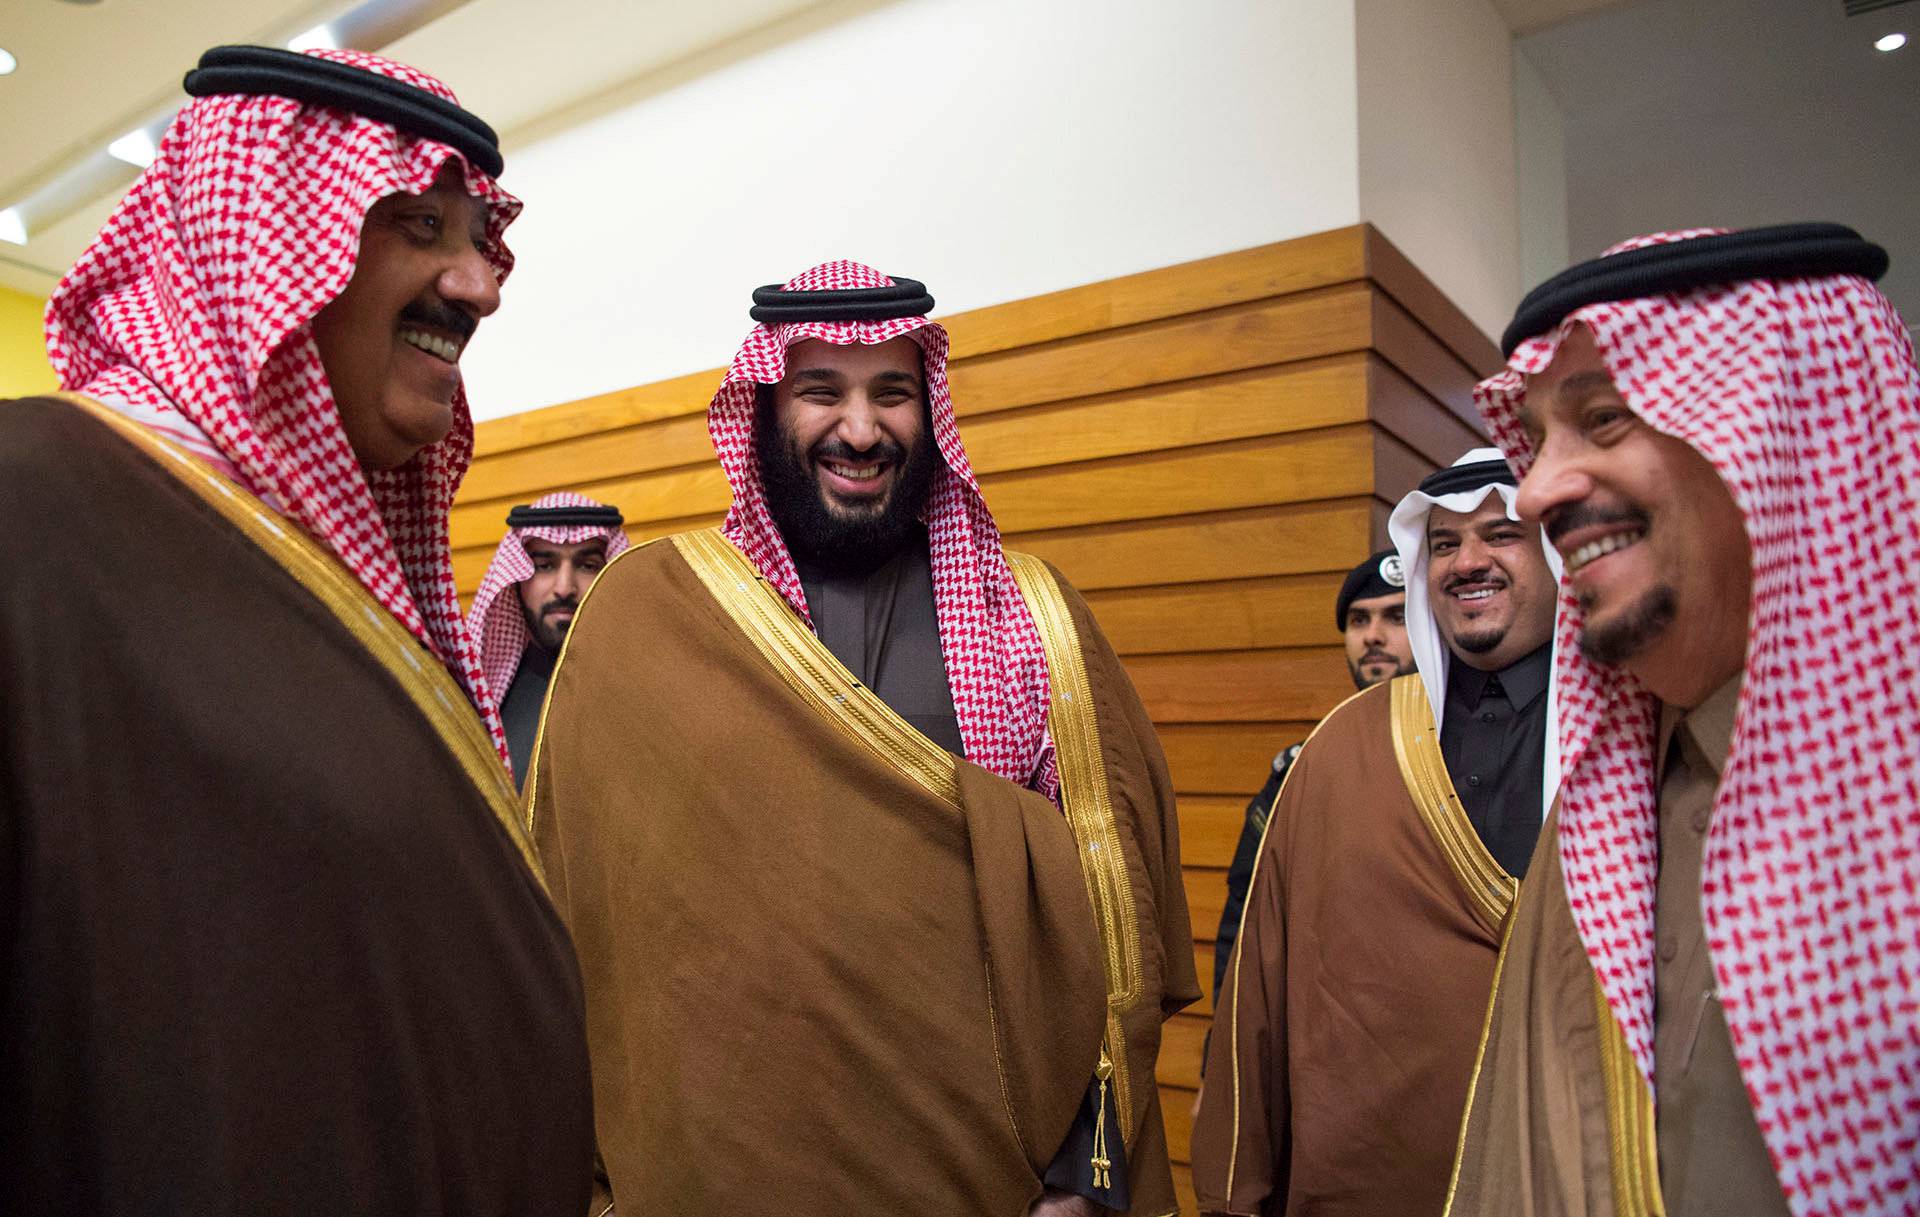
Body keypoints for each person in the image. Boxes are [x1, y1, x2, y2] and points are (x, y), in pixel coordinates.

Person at [0, 45, 590, 1212]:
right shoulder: (34, 503)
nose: (478, 285)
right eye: (417, 226)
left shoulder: (338, 571)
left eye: (481, 241)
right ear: (256, 246)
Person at [528, 261, 1199, 1216]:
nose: (859, 427)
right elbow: (581, 922)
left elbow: (1112, 908)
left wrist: (1082, 1176)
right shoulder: (652, 621)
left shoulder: (1031, 620)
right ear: (763, 411)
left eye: (892, 393)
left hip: (995, 1176)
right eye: (820, 392)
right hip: (731, 1173)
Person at [1446, 224, 1918, 1217]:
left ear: (1791, 432)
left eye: (1606, 418)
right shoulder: (1603, 814)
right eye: (1540, 438)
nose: (1536, 490)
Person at [1190, 449, 1559, 1217]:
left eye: (1502, 533)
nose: (1470, 561)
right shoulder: (1340, 745)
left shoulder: (1626, 732)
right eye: (1447, 543)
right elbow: (1260, 969)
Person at [1208, 550, 1413, 1006]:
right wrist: (1218, 1060)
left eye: (1396, 617)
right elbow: (1246, 915)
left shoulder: (1459, 758)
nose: (1374, 637)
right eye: (1359, 621)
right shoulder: (1304, 768)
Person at [467, 492, 629, 785]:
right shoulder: (485, 699)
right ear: (516, 580)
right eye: (544, 566)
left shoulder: (639, 691)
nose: (564, 588)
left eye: (588, 565)